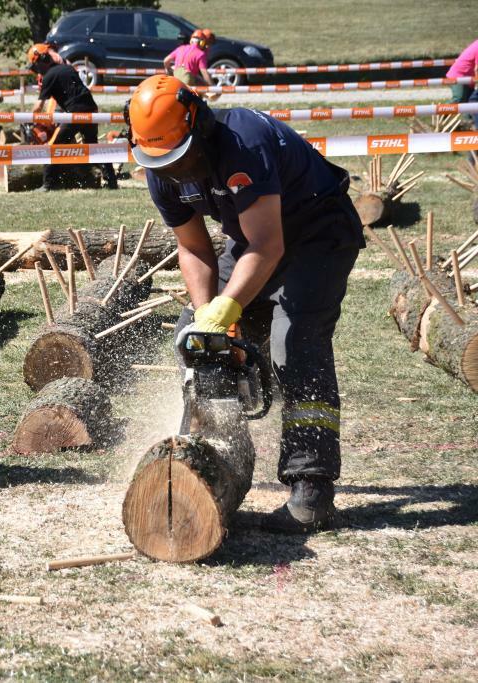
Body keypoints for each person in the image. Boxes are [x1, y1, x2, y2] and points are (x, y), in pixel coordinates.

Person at [127, 75, 364, 532]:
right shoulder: (161, 172)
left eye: (179, 158)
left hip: (316, 230)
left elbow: (268, 244)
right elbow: (195, 249)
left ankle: (311, 486)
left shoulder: (243, 146)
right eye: (162, 161)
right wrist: (206, 316)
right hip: (253, 239)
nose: (174, 170)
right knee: (193, 339)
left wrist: (228, 308)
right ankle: (218, 452)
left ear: (199, 124)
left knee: (293, 342)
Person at [27, 43, 118, 191]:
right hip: (90, 109)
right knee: (92, 146)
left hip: (76, 113)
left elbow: (38, 107)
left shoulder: (49, 76)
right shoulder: (67, 68)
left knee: (54, 147)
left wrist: (28, 119)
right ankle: (111, 181)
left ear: (41, 61)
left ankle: (49, 184)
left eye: (35, 65)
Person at [446, 38, 478, 127]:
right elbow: (477, 69)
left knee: (471, 102)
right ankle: (439, 113)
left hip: (468, 78)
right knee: (459, 98)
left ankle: (470, 124)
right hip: (457, 75)